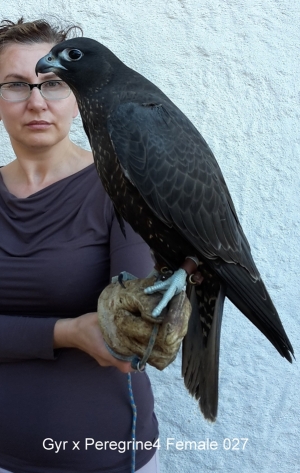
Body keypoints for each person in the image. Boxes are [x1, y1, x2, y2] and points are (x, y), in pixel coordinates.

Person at [0, 18, 159, 473]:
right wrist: (66, 333)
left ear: (77, 94)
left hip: (103, 455)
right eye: (16, 85)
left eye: (52, 84)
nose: (36, 102)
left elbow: (133, 328)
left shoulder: (122, 186)